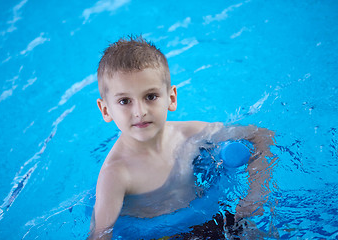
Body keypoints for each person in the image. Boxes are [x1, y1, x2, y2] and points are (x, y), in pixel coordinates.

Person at [89, 36, 275, 239]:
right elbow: (100, 234)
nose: (139, 111)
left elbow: (260, 135)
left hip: (208, 221)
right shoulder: (116, 174)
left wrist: (256, 194)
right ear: (106, 110)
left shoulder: (189, 135)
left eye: (150, 96)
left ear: (171, 98)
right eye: (125, 101)